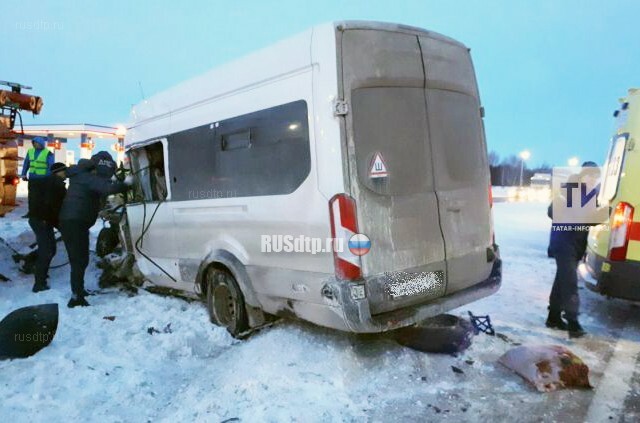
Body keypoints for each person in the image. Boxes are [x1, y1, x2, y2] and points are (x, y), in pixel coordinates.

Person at [59, 151, 130, 308]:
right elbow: (105, 188)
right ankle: (76, 297)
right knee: (79, 259)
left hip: (75, 222)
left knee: (81, 258)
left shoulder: (82, 175)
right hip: (74, 222)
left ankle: (79, 290)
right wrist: (127, 184)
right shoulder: (87, 177)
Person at [546, 161, 600, 338]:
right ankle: (573, 322)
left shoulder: (592, 194)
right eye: (590, 176)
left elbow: (590, 218)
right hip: (564, 242)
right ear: (582, 175)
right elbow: (552, 211)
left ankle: (553, 317)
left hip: (576, 244)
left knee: (562, 280)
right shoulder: (570, 190)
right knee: (570, 282)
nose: (593, 179)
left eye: (595, 177)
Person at [27, 162, 67, 292]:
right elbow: (53, 207)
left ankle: (31, 264)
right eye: (64, 171)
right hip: (42, 220)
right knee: (47, 251)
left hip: (40, 219)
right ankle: (39, 283)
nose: (66, 173)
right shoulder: (56, 184)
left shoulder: (52, 182)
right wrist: (61, 226)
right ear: (58, 172)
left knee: (49, 249)